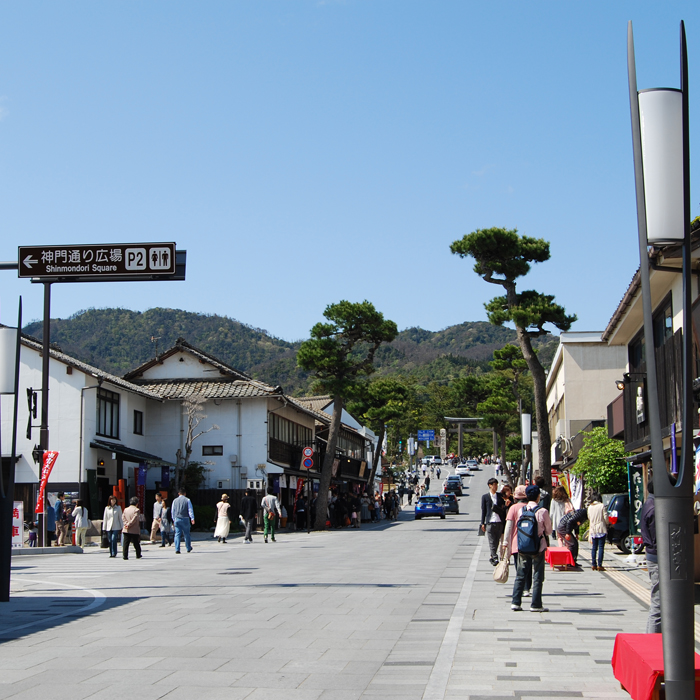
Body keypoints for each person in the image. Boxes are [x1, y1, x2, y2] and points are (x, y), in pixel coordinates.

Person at [509, 485, 552, 612]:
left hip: (522, 546)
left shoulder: (521, 510)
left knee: (520, 575)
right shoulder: (542, 511)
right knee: (538, 576)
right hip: (538, 547)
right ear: (538, 496)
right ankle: (536, 604)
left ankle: (515, 602)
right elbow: (548, 531)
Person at [502, 485, 532, 598]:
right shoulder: (530, 507)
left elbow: (508, 526)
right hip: (529, 542)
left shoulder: (513, 508)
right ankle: (527, 588)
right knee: (528, 566)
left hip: (516, 542)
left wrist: (505, 542)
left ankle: (521, 587)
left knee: (519, 567)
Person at [640, 481, 660, 633]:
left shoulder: (649, 504)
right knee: (658, 602)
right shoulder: (654, 508)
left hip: (652, 554)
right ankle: (651, 637)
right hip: (657, 556)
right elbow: (656, 537)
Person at [481, 478, 506, 566]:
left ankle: (492, 556)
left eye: (497, 485)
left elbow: (504, 507)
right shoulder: (485, 497)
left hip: (499, 521)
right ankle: (495, 557)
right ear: (490, 485)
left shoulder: (500, 496)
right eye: (494, 485)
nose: (496, 486)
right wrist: (482, 523)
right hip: (490, 522)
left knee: (496, 541)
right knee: (491, 541)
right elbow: (483, 510)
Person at [587, 492, 609, 571]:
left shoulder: (590, 507)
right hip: (601, 528)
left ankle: (593, 564)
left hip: (593, 529)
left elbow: (589, 517)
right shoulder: (602, 506)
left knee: (594, 548)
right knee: (601, 547)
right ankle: (600, 565)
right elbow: (605, 517)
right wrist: (607, 523)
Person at [171, 486, 195, 554]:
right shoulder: (187, 500)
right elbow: (190, 510)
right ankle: (188, 547)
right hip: (185, 518)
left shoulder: (174, 501)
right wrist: (192, 518)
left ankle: (177, 549)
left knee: (177, 534)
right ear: (185, 493)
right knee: (186, 534)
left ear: (179, 493)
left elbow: (173, 511)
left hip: (177, 518)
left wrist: (173, 519)